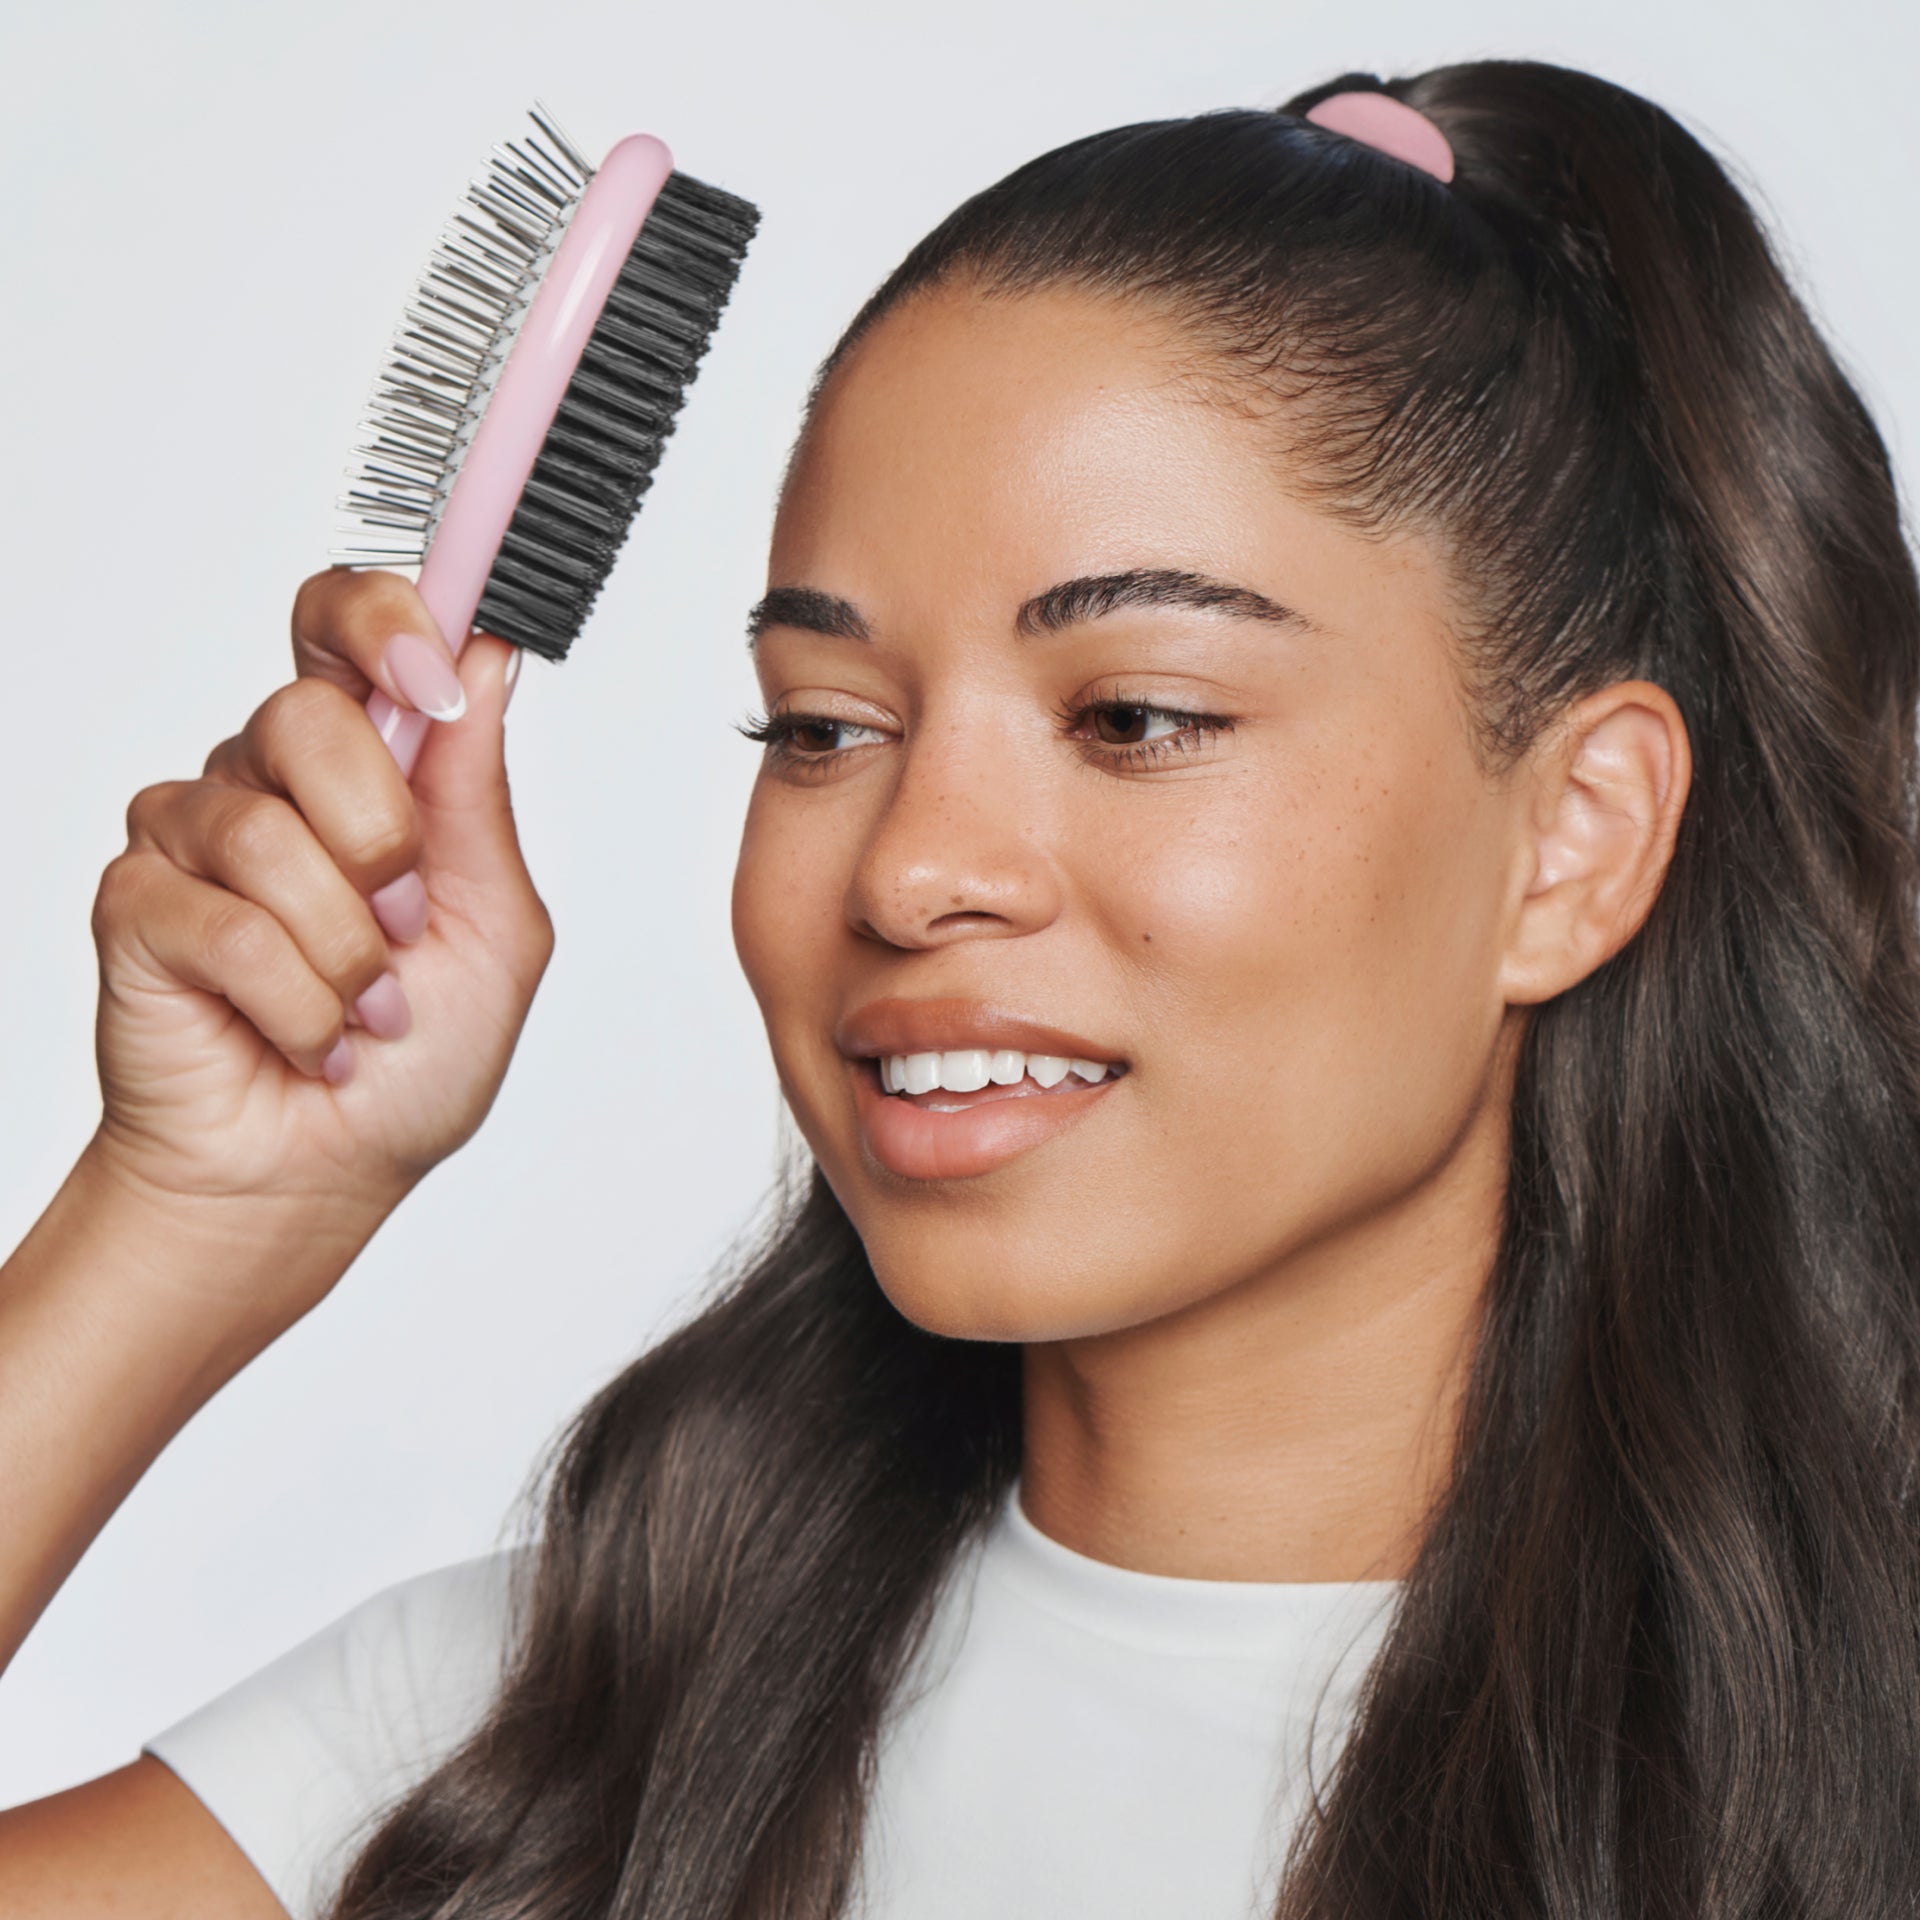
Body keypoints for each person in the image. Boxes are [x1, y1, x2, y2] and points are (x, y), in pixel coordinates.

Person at [3, 55, 1917, 1920]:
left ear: (1574, 839)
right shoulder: (538, 1749)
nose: (912, 869)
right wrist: (194, 1214)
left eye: (1137, 717)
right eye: (824, 728)